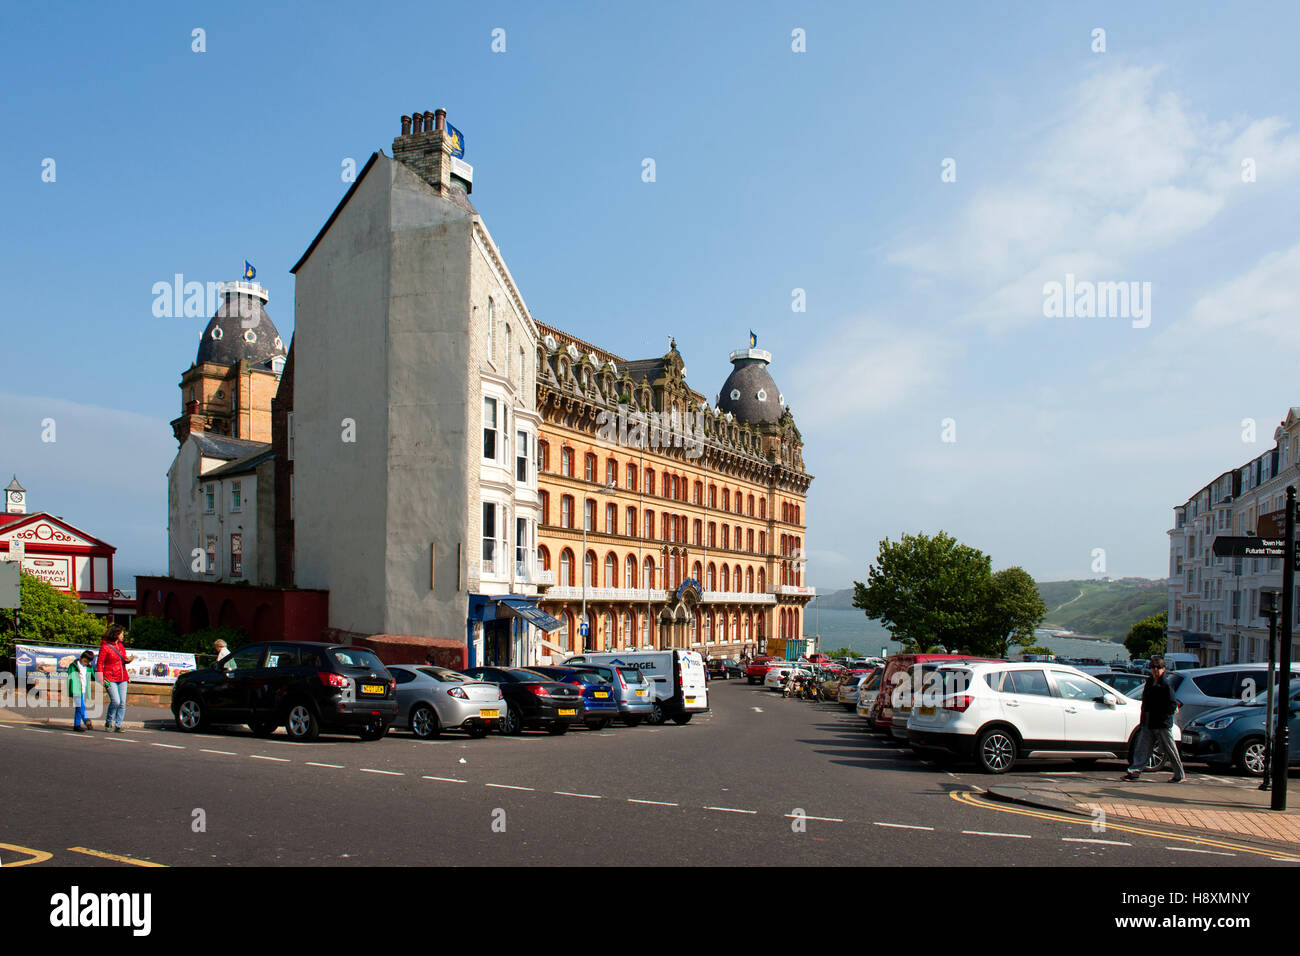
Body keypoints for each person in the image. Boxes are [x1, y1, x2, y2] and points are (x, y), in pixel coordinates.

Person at [1122, 655, 1185, 783]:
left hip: (1162, 723)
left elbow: (1172, 705)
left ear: (1163, 669)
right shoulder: (1150, 682)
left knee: (1170, 749)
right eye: (1153, 667)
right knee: (1142, 748)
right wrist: (1143, 718)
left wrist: (1163, 715)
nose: (1155, 670)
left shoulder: (1166, 685)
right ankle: (1134, 772)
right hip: (1148, 721)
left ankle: (1179, 775)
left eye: (1158, 667)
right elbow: (1145, 702)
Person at [95, 624, 134, 733]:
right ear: (116, 634)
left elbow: (122, 660)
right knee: (116, 701)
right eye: (122, 634)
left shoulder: (121, 646)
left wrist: (128, 660)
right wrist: (100, 678)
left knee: (122, 702)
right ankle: (109, 721)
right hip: (109, 677)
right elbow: (100, 663)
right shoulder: (105, 647)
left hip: (122, 676)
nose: (123, 636)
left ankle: (118, 724)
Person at [66, 650, 96, 732]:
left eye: (88, 662)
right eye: (84, 661)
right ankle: (86, 720)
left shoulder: (89, 667)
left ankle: (77, 725)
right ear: (81, 658)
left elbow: (94, 676)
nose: (85, 663)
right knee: (80, 705)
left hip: (84, 689)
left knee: (78, 707)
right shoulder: (73, 666)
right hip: (76, 689)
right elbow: (70, 676)